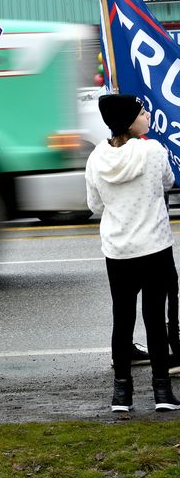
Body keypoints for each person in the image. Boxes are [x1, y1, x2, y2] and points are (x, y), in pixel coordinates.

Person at [85, 93, 180, 412]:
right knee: (154, 318)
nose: (148, 115)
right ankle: (162, 392)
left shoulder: (96, 158)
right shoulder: (152, 150)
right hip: (155, 246)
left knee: (122, 320)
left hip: (118, 250)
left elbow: (94, 205)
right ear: (129, 120)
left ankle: (121, 394)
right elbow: (167, 182)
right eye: (142, 111)